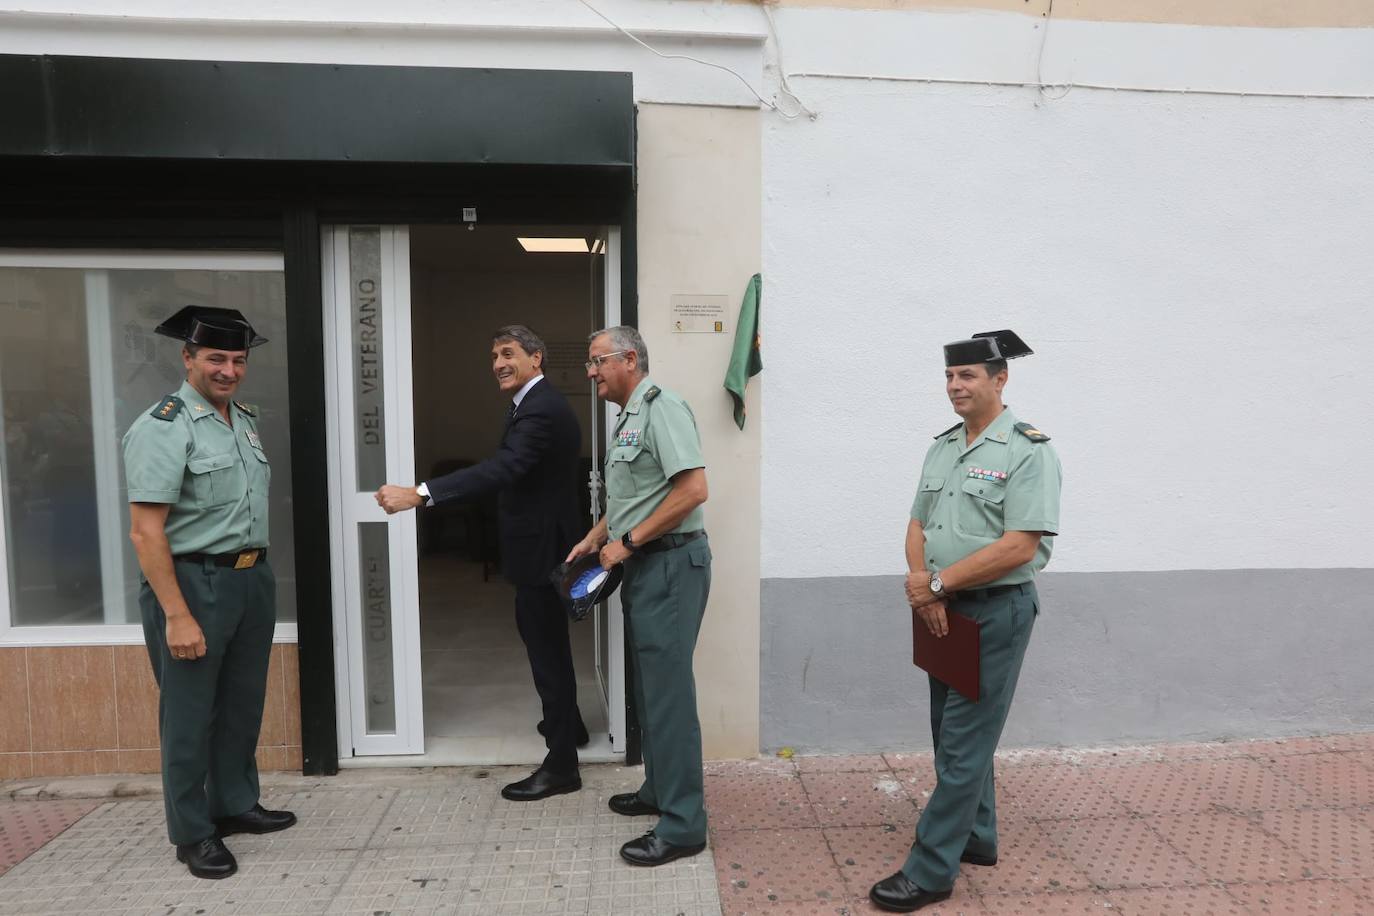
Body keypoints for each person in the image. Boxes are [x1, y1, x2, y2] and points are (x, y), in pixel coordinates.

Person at [870, 330, 1063, 912]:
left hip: (995, 611)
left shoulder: (1029, 450)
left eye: (968, 376)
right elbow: (917, 523)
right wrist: (923, 589)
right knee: (949, 736)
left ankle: (931, 871)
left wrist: (936, 583)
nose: (955, 386)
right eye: (950, 377)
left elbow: (1019, 547)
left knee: (963, 743)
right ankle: (976, 839)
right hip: (941, 611)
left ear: (1000, 380)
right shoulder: (944, 446)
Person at [375, 325, 588, 801]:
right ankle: (568, 727)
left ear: (537, 357)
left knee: (546, 652)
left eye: (508, 353)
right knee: (546, 644)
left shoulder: (541, 409)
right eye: (493, 355)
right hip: (540, 548)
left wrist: (421, 493)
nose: (498, 363)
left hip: (542, 553)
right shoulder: (533, 403)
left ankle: (561, 767)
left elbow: (504, 468)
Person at [122, 306, 295, 880]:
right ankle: (193, 832)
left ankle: (235, 803)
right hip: (193, 583)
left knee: (242, 705)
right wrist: (177, 613)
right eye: (216, 358)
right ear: (188, 358)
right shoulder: (164, 426)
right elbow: (146, 531)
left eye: (238, 360)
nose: (228, 370)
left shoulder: (239, 420)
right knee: (190, 714)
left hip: (250, 580)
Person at [565, 325, 712, 867]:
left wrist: (625, 544)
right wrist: (596, 536)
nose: (591, 372)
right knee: (652, 692)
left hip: (672, 564)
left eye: (597, 361)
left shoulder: (662, 408)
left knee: (670, 697)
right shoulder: (628, 418)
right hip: (646, 566)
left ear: (630, 359)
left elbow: (692, 490)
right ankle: (659, 791)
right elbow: (637, 494)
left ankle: (683, 826)